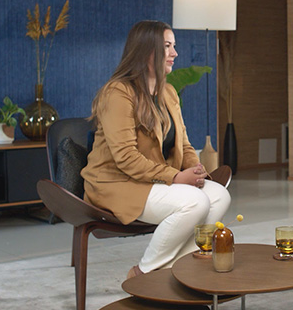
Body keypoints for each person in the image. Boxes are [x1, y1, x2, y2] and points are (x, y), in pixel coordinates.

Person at [81, 20, 231, 279]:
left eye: (174, 46)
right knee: (194, 203)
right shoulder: (117, 93)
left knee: (219, 195)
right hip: (117, 183)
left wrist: (194, 170)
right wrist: (176, 177)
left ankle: (177, 272)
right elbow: (126, 158)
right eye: (167, 46)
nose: (175, 53)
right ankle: (143, 274)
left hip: (153, 180)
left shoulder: (168, 92)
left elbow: (184, 143)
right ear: (147, 51)